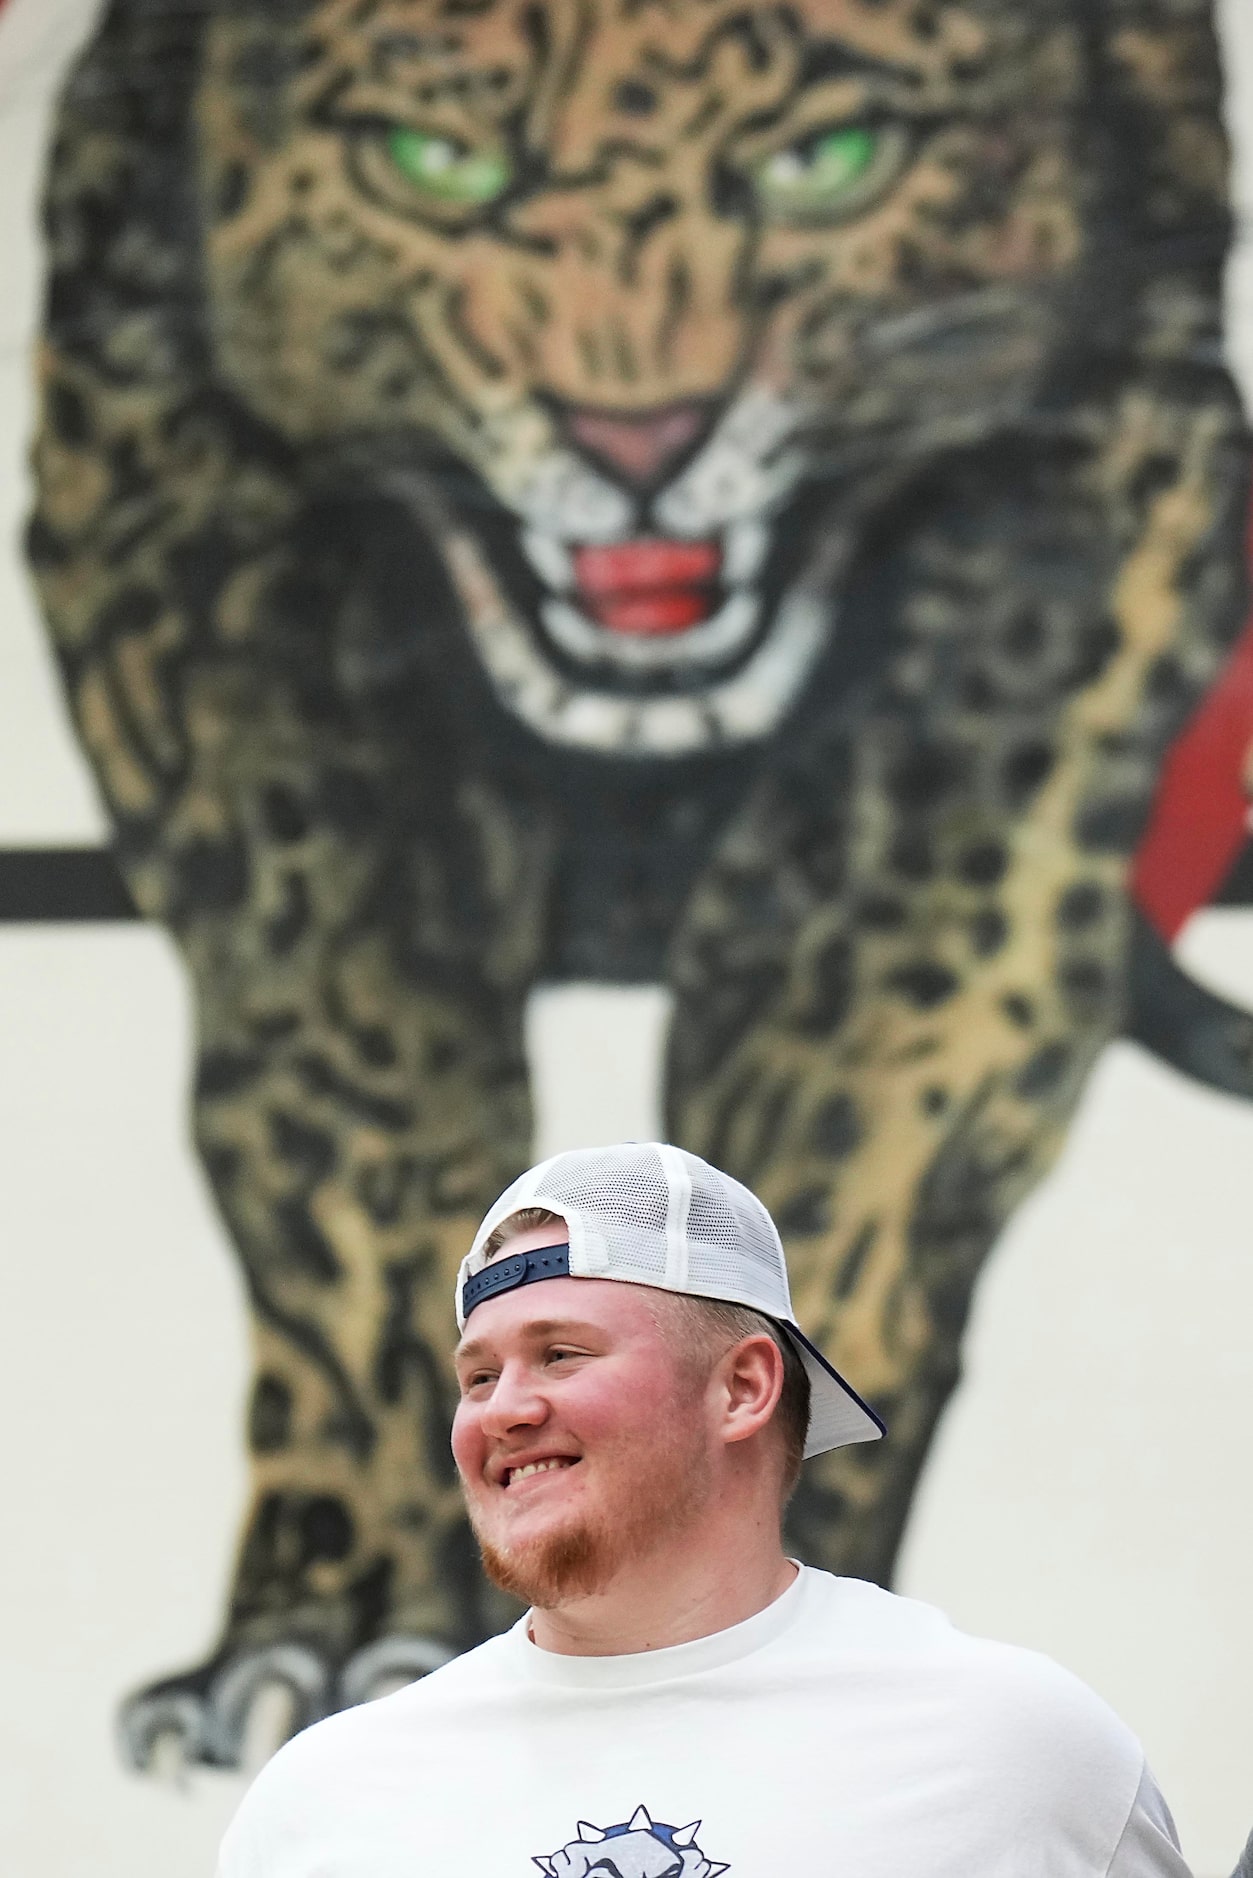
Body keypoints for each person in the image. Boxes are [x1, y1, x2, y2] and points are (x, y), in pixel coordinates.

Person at [218, 1142, 1191, 1878]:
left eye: (561, 1354)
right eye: (477, 1375)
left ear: (742, 1388)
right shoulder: (325, 1805)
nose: (502, 1410)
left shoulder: (1015, 1751)